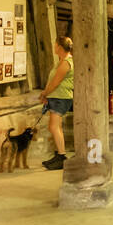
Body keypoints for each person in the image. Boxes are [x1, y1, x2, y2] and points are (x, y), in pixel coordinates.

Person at [39, 37, 74, 169]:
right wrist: (47, 94)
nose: (54, 47)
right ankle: (59, 154)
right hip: (57, 97)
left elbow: (56, 82)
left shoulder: (66, 63)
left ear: (59, 47)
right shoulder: (62, 61)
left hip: (61, 98)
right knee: (54, 127)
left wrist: (45, 93)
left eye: (55, 45)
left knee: (54, 127)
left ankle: (62, 156)